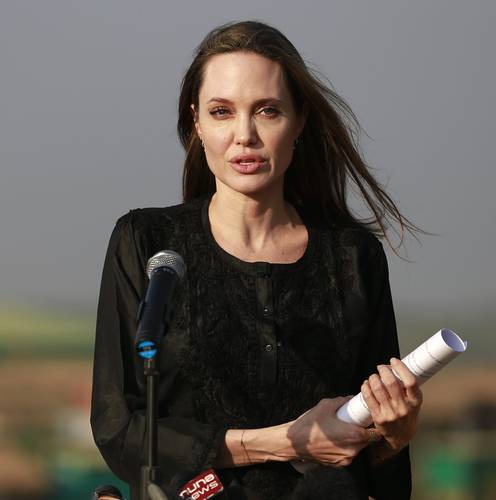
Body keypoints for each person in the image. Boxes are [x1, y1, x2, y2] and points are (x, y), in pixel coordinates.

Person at [91, 20, 423, 500]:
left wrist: (395, 435)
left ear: (299, 120)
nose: (244, 134)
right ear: (197, 123)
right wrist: (283, 441)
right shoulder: (148, 242)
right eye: (221, 112)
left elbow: (379, 472)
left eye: (268, 111)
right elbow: (119, 427)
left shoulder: (353, 256)